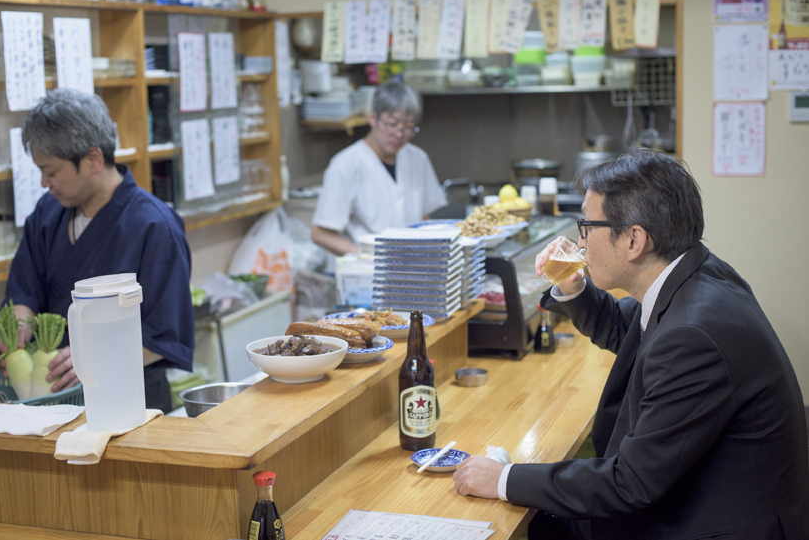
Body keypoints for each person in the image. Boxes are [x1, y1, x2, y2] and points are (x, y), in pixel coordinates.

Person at [453, 149, 809, 539]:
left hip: (712, 524)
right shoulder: (699, 273)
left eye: (587, 226)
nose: (580, 241)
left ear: (635, 240)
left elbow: (629, 483)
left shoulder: (693, 335)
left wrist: (504, 479)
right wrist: (573, 286)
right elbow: (629, 330)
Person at [0, 89, 194, 413]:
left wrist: (92, 358)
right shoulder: (47, 213)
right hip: (51, 398)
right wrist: (16, 328)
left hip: (129, 399)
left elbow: (164, 335)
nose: (43, 182)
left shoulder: (155, 226)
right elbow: (24, 291)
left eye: (51, 172)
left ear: (93, 159)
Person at [311, 81, 447, 255]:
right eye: (392, 124)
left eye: (408, 127)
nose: (399, 134)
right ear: (373, 118)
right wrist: (364, 255)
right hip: (368, 270)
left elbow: (423, 217)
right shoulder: (345, 165)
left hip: (413, 268)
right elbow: (320, 234)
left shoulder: (417, 159)